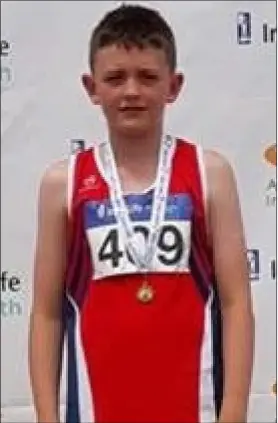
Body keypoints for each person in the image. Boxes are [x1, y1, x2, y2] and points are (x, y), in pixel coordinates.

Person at [28, 4, 254, 423]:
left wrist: (234, 412)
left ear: (174, 85)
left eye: (148, 77)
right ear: (91, 87)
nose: (131, 91)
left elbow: (237, 303)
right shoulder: (63, 183)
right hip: (98, 411)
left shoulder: (211, 174)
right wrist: (46, 416)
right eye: (115, 78)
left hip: (194, 409)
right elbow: (46, 311)